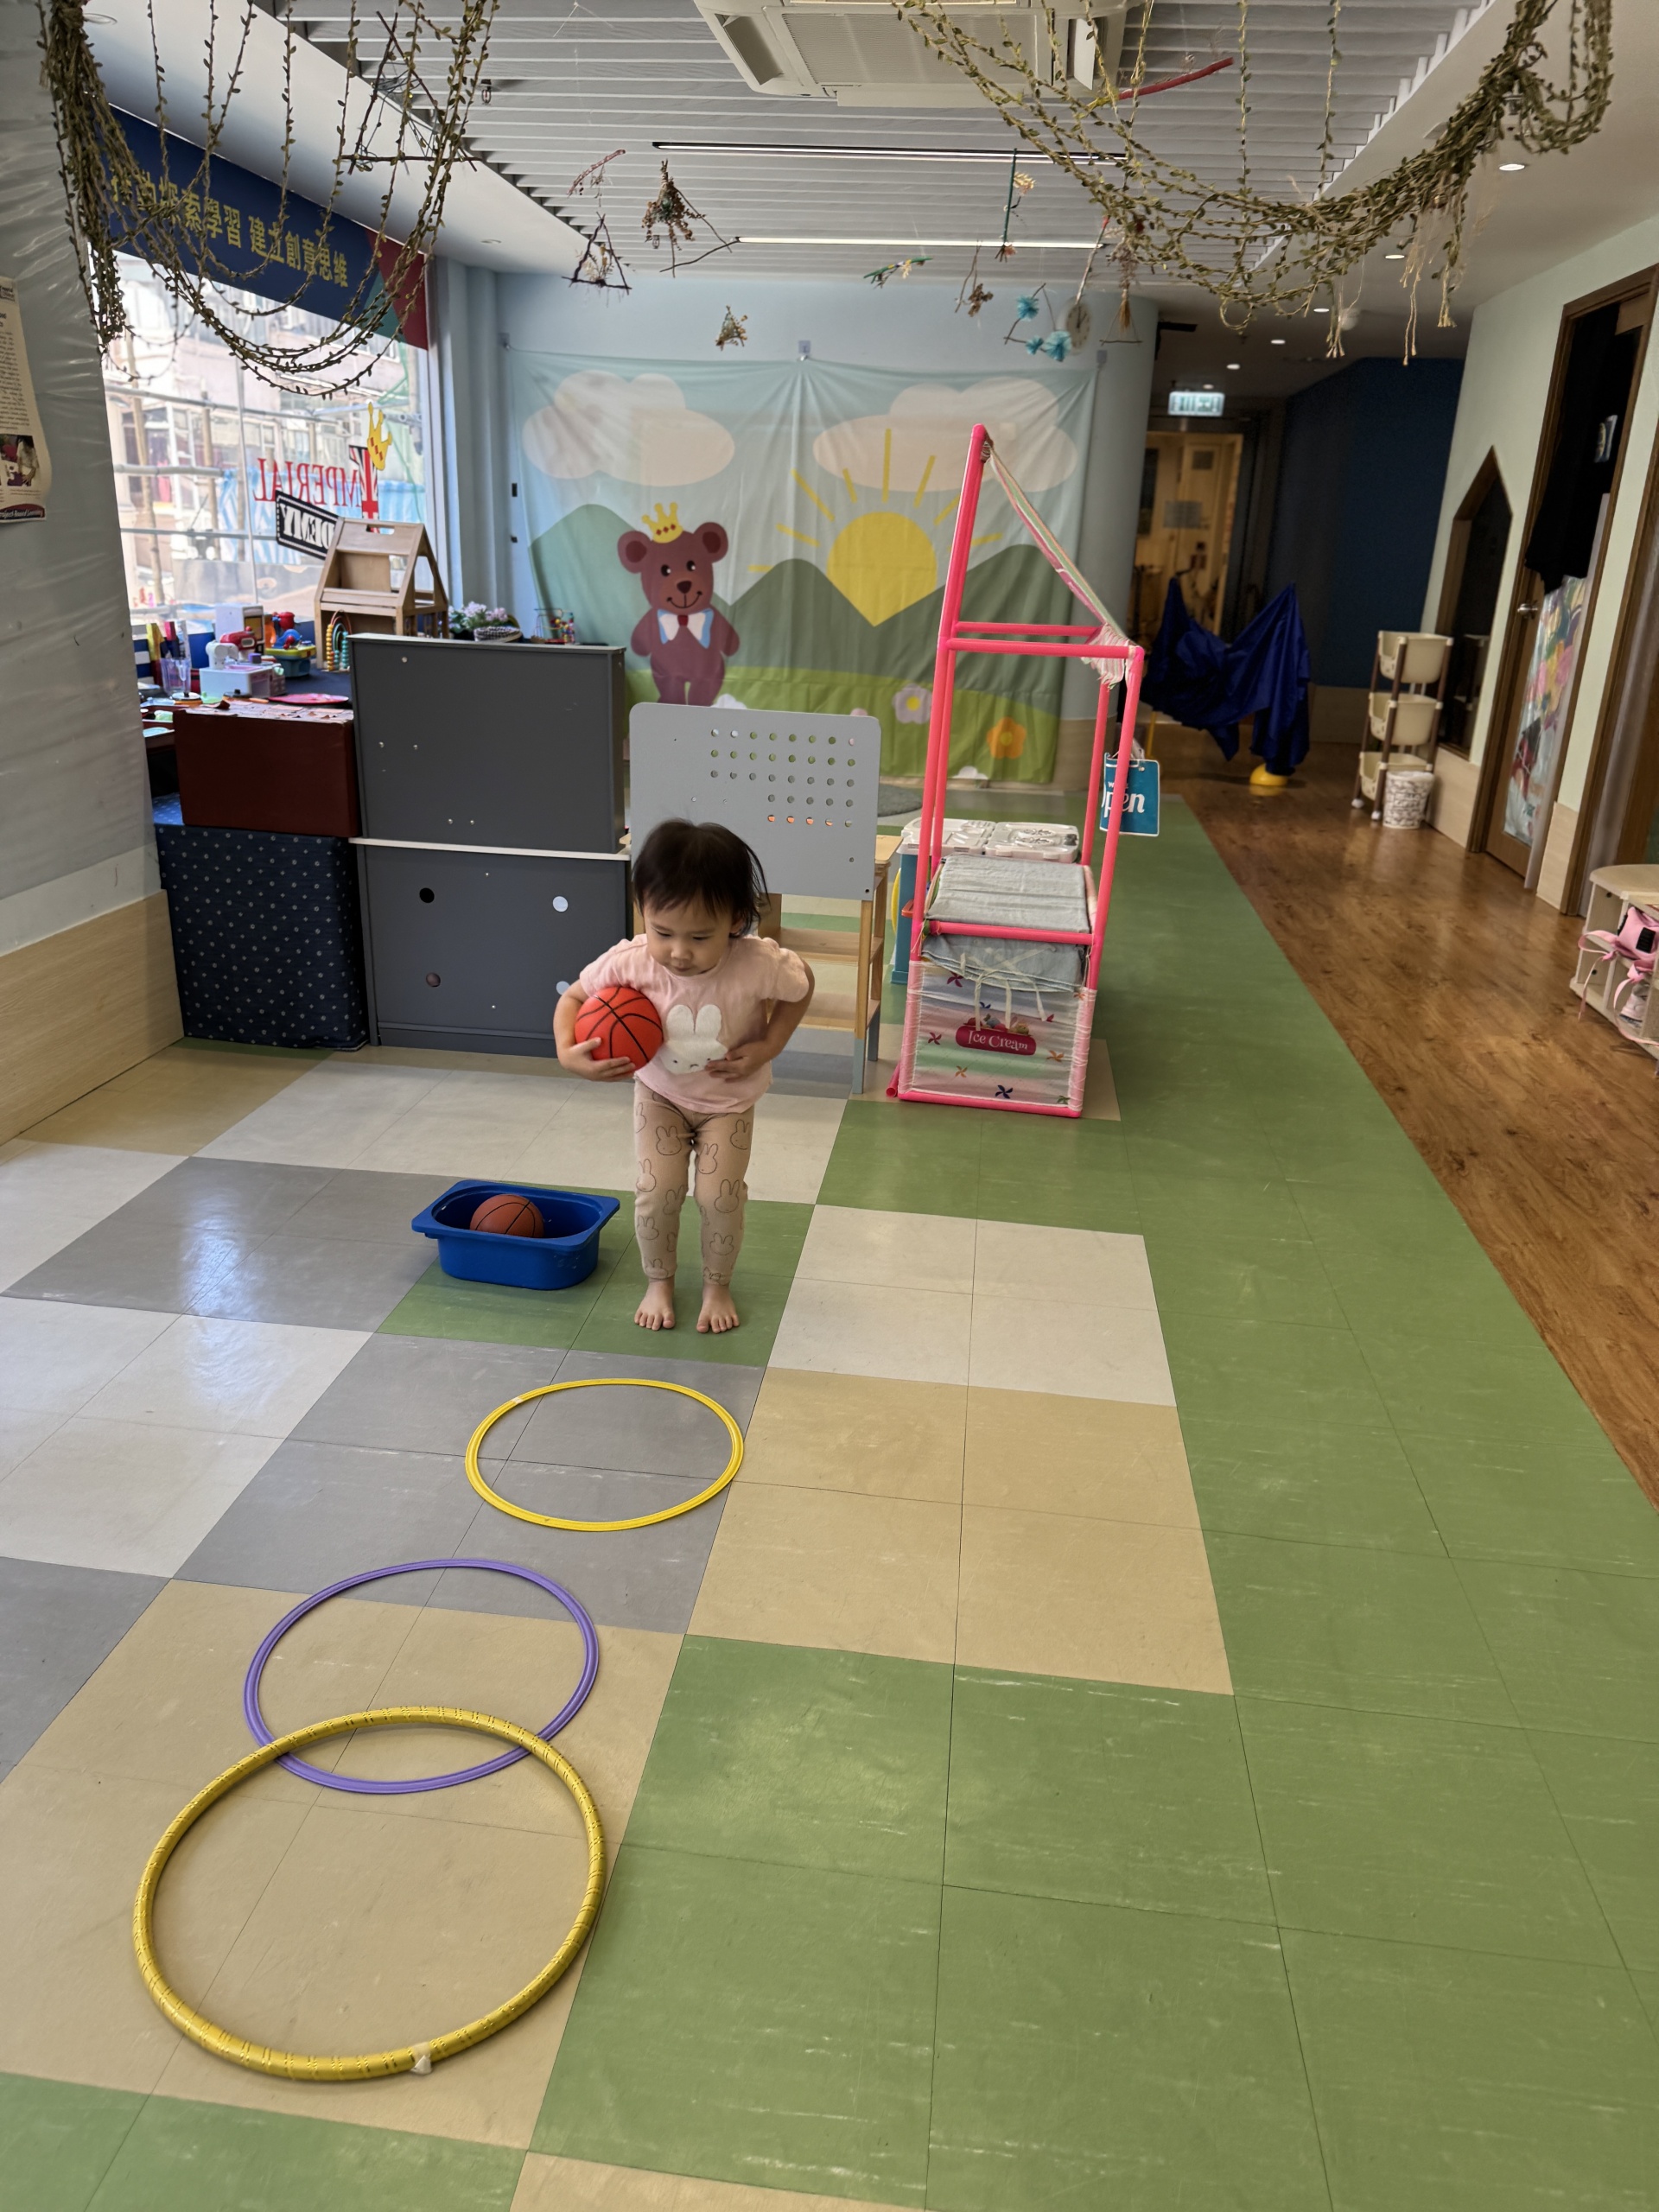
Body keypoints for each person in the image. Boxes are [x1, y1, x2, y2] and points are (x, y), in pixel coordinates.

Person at [553, 819, 814, 1335]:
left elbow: (802, 984)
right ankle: (659, 1281)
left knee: (720, 1196)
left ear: (735, 920)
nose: (678, 951)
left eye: (699, 937)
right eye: (663, 932)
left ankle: (717, 1286)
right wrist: (567, 1052)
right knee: (657, 1191)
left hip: (729, 1103)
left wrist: (770, 1045)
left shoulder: (757, 964)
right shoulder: (631, 961)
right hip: (660, 1096)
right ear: (643, 910)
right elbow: (574, 997)